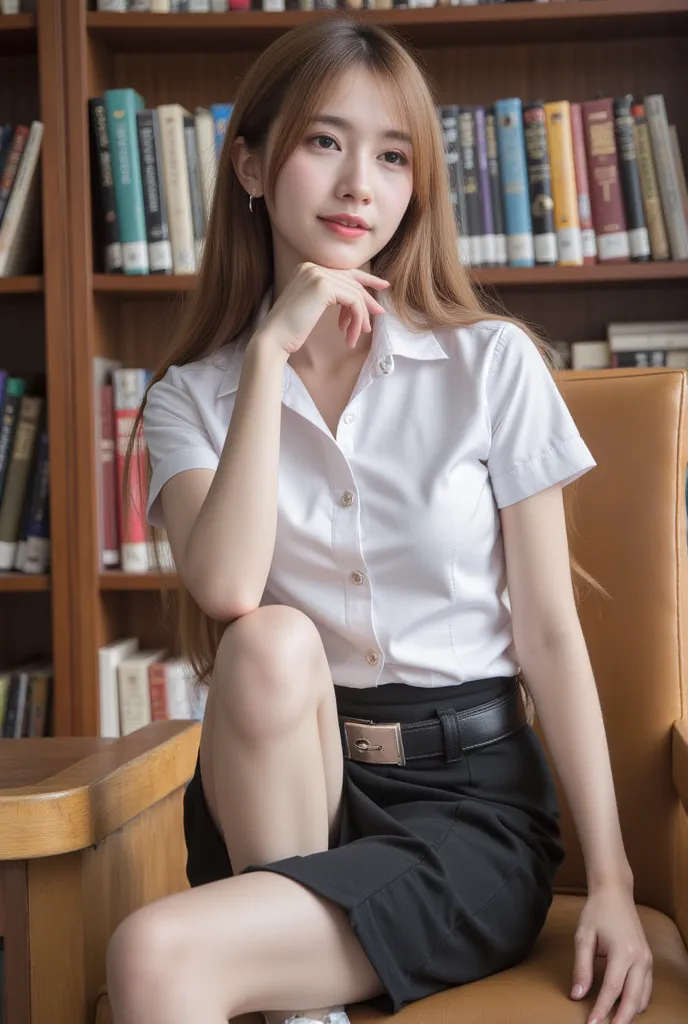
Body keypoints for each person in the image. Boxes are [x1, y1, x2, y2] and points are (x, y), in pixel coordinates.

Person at [106, 16, 653, 1024]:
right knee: (264, 637)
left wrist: (610, 881)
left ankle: (288, 1001)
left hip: (469, 806)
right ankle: (297, 999)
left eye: (392, 155)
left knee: (151, 956)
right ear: (252, 167)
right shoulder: (191, 397)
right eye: (325, 142)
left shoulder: (490, 364)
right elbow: (225, 589)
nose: (361, 181)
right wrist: (267, 357)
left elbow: (547, 634)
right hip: (291, 783)